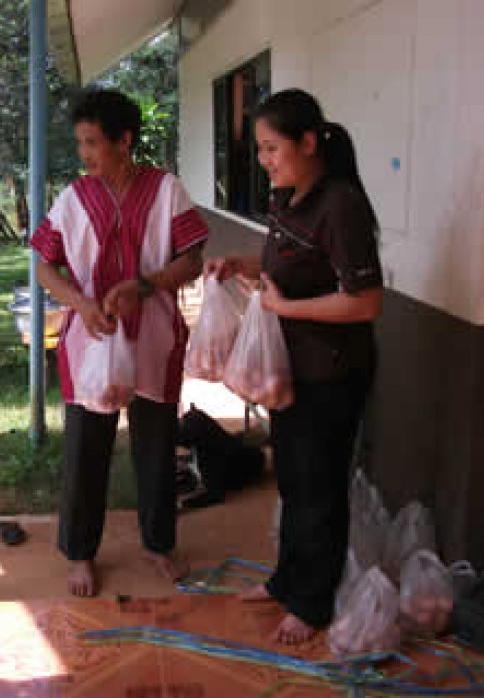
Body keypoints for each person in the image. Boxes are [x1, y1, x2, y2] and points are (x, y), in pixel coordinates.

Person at [206, 88, 383, 644]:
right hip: (291, 370)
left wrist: (286, 308)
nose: (264, 162)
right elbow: (284, 263)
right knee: (293, 480)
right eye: (258, 150)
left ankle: (312, 601)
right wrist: (239, 263)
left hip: (332, 372)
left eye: (272, 149)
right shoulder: (291, 199)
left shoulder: (340, 206)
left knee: (319, 487)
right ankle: (287, 581)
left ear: (309, 142)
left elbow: (366, 300)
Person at [31, 88, 209, 597]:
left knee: (155, 445)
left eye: (93, 142)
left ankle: (159, 543)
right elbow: (45, 265)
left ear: (124, 140)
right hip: (90, 341)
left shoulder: (165, 189)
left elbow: (192, 259)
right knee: (87, 447)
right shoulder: (73, 198)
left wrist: (144, 285)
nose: (84, 154)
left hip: (153, 338)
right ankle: (80, 553)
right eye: (80, 143)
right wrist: (81, 304)